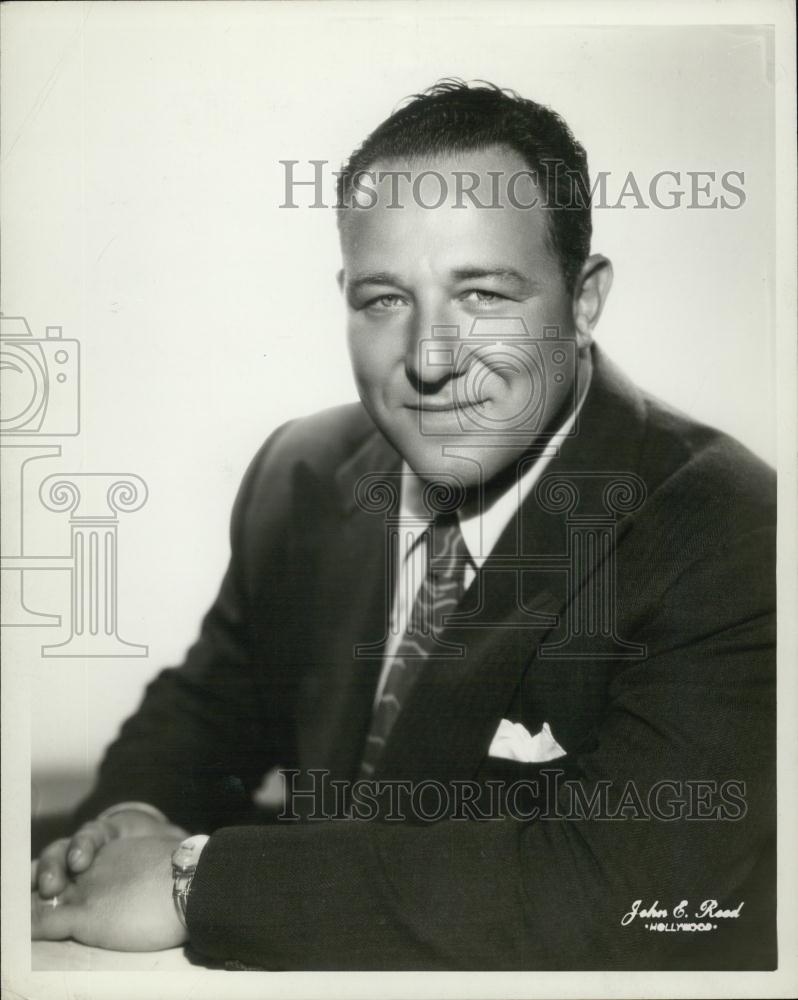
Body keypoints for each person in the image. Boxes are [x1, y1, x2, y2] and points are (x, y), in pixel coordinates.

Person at [31, 80, 776, 970]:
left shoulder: (727, 522)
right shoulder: (303, 471)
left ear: (583, 300)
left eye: (485, 295)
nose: (429, 359)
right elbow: (203, 714)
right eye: (385, 299)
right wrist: (130, 820)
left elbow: (638, 885)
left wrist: (198, 880)